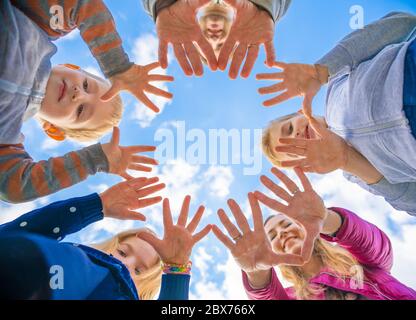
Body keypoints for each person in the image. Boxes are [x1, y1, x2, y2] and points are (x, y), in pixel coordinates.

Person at [0, 0, 173, 203]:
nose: (78, 95)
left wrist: (94, 160)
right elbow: (83, 5)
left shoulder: (6, 136)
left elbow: (15, 187)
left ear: (53, 129)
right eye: (86, 85)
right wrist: (118, 67)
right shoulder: (41, 27)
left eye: (81, 110)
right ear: (71, 66)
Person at [258, 12, 416, 216]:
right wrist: (346, 159)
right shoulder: (356, 174)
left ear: (299, 113)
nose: (295, 136)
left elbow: (404, 23)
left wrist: (320, 71)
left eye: (289, 129)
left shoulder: (335, 82)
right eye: (292, 148)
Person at [212, 167, 416, 300]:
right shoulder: (293, 296)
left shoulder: (356, 261)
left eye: (286, 224)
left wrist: (325, 219)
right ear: (271, 251)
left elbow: (376, 245)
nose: (282, 233)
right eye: (272, 236)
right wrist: (256, 273)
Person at [0, 175, 211, 300]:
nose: (124, 263)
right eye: (122, 252)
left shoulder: (119, 291)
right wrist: (96, 205)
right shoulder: (75, 261)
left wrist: (176, 269)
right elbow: (16, 236)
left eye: (139, 270)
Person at [141, 0, 291, 78]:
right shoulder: (262, 9)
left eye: (206, 43)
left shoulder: (173, 7)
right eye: (222, 45)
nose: (214, 38)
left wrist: (161, 3)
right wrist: (265, 6)